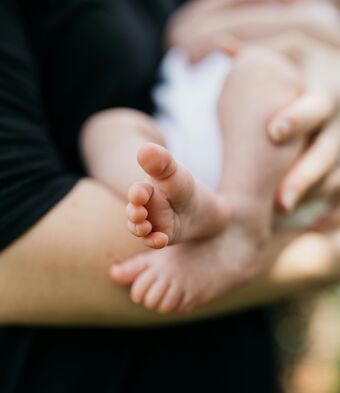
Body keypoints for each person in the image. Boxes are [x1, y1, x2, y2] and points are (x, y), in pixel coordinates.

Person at [0, 1, 340, 392]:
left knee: (260, 72)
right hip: (186, 140)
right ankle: (167, 200)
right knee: (107, 126)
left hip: (268, 154)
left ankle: (241, 226)